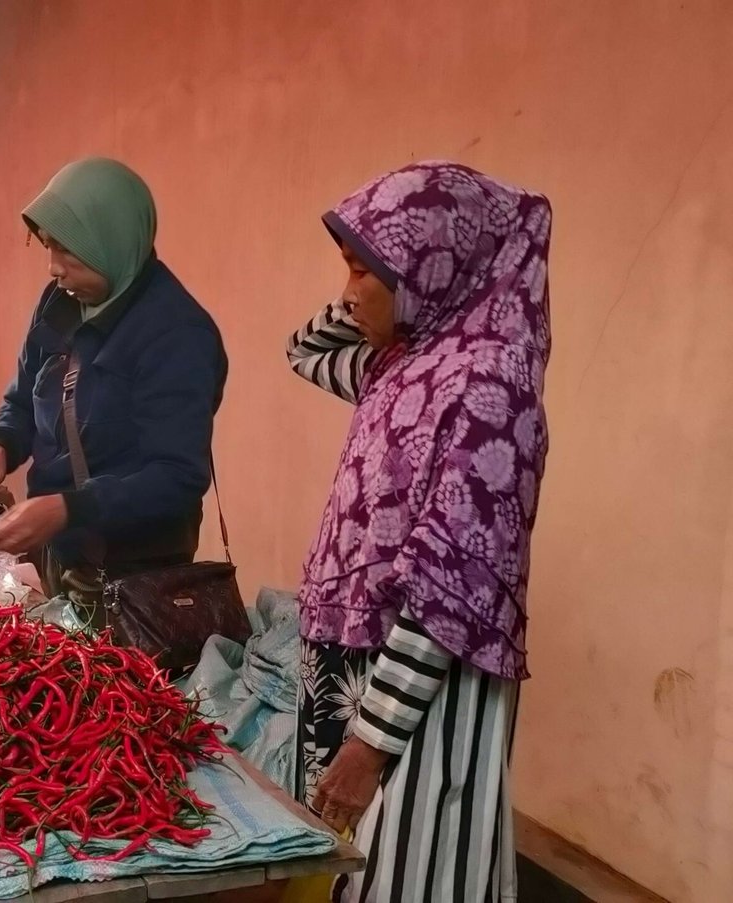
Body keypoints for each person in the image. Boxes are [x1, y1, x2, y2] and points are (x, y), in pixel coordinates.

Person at [290, 161, 551, 902]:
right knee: (344, 877)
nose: (347, 291)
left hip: (413, 702)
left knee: (409, 876)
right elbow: (302, 350)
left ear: (432, 268)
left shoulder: (491, 385)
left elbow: (453, 583)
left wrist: (370, 742)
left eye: (362, 272)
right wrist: (384, 278)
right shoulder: (403, 363)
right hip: (350, 666)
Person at [0, 157, 227, 602]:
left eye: (67, 250)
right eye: (47, 247)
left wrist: (69, 509)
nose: (53, 268)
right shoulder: (61, 302)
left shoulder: (177, 333)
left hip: (134, 575)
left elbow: (177, 477)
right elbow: (23, 398)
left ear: (112, 241)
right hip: (60, 551)